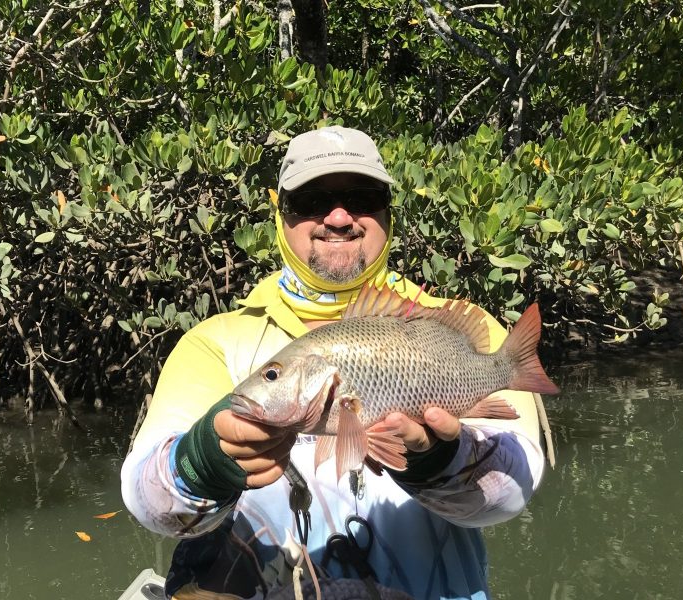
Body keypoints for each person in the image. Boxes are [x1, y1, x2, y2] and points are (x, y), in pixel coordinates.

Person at [121, 126, 546, 599]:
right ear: (280, 216)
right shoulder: (214, 344)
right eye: (311, 201)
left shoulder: (466, 331)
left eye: (363, 198)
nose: (339, 217)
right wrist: (202, 462)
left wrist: (442, 459)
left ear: (388, 213)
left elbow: (512, 493)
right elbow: (147, 502)